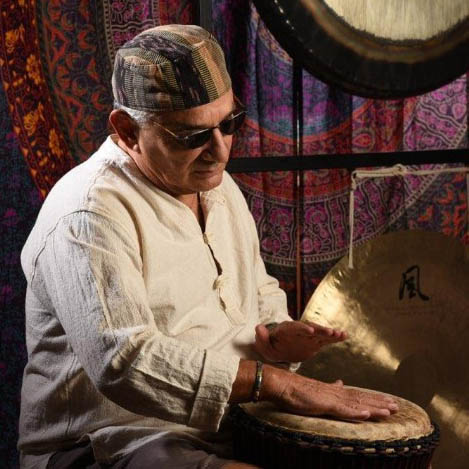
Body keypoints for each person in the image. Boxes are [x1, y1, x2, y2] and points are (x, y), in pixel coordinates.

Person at [18, 25, 398, 469]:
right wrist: (277, 384)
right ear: (126, 130)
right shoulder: (87, 213)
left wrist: (275, 336)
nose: (219, 151)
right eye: (191, 136)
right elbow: (123, 361)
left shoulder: (218, 188)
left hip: (228, 425)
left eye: (229, 123)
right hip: (109, 441)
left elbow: (257, 290)